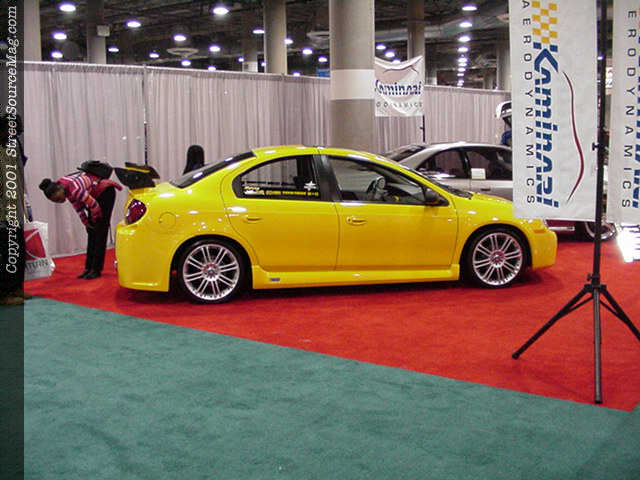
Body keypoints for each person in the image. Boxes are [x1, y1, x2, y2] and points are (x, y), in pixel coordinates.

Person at [39, 169, 122, 280]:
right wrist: (86, 222)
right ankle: (88, 268)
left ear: (59, 189)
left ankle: (96, 269)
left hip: (105, 192)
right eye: (56, 201)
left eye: (59, 198)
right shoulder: (63, 187)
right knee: (91, 231)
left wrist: (94, 220)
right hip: (93, 195)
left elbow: (94, 206)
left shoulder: (74, 188)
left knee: (100, 231)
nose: (60, 201)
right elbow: (78, 206)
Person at [0, 114, 27, 305]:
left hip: (15, 210)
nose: (14, 136)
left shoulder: (13, 146)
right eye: (12, 132)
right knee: (6, 253)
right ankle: (4, 293)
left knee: (18, 251)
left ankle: (17, 287)